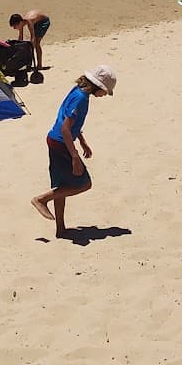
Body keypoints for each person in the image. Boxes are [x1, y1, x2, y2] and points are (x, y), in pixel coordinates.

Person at [30, 65, 117, 239]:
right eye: (105, 91)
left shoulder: (77, 90)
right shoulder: (81, 99)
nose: (105, 95)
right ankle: (41, 200)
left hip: (54, 140)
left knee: (62, 186)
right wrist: (75, 156)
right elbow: (65, 129)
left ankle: (60, 229)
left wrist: (83, 141)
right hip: (61, 143)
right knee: (84, 183)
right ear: (97, 86)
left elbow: (69, 121)